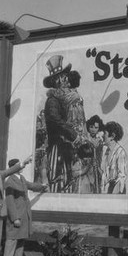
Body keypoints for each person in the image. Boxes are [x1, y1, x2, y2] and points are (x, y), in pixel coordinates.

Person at [3, 159, 48, 256]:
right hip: (16, 214)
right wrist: (15, 218)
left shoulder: (21, 178)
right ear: (13, 167)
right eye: (19, 165)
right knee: (12, 237)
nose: (21, 167)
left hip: (24, 213)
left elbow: (31, 185)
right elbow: (10, 202)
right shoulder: (9, 181)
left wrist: (42, 186)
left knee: (21, 236)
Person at [43, 55, 78, 193]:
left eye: (65, 77)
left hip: (65, 147)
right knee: (58, 183)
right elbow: (57, 122)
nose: (65, 80)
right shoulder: (53, 101)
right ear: (56, 81)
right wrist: (73, 134)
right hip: (57, 147)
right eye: (63, 77)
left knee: (68, 182)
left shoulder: (64, 99)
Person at [100, 121, 128, 194]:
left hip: (114, 193)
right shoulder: (105, 151)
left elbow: (121, 177)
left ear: (112, 136)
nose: (102, 136)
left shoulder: (120, 152)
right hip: (104, 192)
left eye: (104, 133)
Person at [86, 115, 104, 193]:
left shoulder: (100, 140)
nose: (93, 130)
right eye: (91, 127)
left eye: (96, 128)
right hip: (87, 166)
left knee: (97, 184)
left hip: (97, 165)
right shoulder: (86, 139)